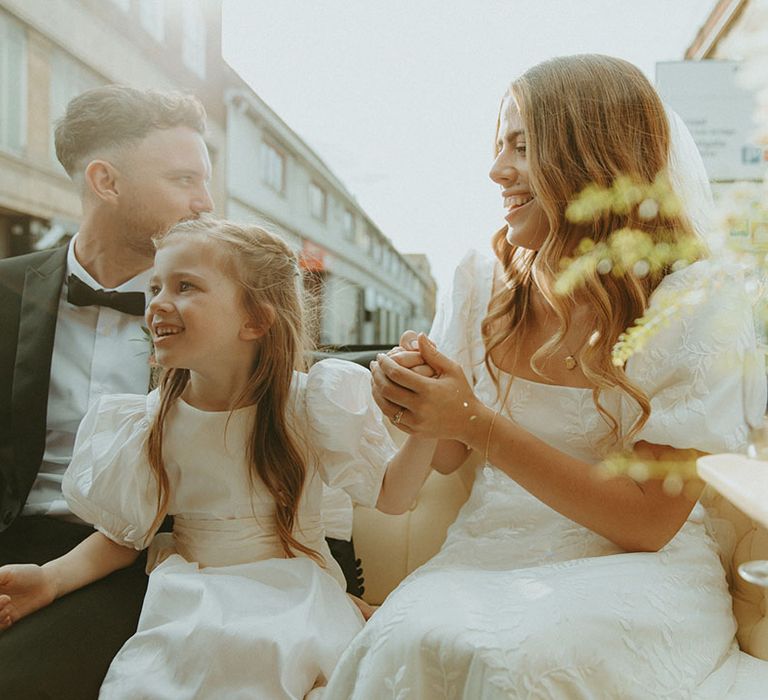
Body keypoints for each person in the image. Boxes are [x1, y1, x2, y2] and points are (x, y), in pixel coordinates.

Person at [324, 54, 768, 698]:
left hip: (636, 569)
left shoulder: (693, 298)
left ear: (593, 157)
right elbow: (449, 457)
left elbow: (648, 524)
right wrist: (421, 398)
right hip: (489, 552)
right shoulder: (482, 277)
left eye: (521, 147)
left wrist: (474, 420)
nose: (495, 169)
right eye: (497, 145)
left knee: (518, 664)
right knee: (411, 640)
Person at [0, 217, 438, 699]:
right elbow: (124, 537)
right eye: (155, 286)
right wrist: (49, 578)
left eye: (185, 286)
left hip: (296, 592)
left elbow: (394, 497)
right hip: (193, 596)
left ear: (255, 320)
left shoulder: (313, 403)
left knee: (275, 661)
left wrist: (427, 424)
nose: (157, 303)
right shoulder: (151, 422)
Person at [0, 85, 213, 697]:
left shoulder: (217, 310)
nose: (206, 203)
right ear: (105, 181)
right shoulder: (4, 291)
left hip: (129, 557)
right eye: (184, 180)